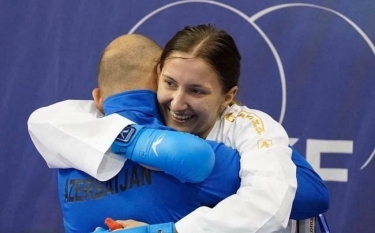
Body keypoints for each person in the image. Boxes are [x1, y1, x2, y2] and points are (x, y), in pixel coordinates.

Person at [28, 24, 329, 232]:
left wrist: (165, 232)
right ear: (156, 76)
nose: (177, 103)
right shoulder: (146, 115)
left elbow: (287, 203)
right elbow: (45, 122)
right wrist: (132, 139)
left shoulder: (249, 127)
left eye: (197, 91)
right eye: (170, 83)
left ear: (228, 96)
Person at [56, 33, 241, 233]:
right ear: (158, 82)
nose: (178, 104)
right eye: (170, 83)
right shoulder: (210, 159)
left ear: (98, 98)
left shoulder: (66, 160)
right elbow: (262, 207)